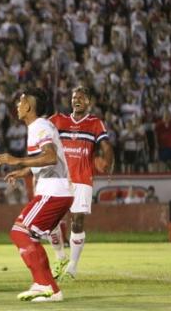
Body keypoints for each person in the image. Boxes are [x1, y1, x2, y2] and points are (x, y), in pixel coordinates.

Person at [0, 87, 73, 303]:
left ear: (28, 106)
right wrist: (26, 171)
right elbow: (44, 159)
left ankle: (43, 284)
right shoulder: (41, 126)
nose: (17, 106)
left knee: (20, 233)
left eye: (20, 102)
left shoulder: (39, 126)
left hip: (53, 191)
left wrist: (17, 160)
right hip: (57, 191)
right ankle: (52, 289)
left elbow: (50, 157)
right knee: (26, 234)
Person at [48, 86, 114, 281]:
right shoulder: (59, 120)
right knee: (50, 222)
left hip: (83, 179)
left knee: (77, 222)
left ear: (88, 102)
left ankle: (72, 267)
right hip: (59, 179)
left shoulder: (95, 124)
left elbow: (106, 146)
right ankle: (60, 256)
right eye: (74, 97)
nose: (76, 100)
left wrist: (108, 163)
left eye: (81, 98)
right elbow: (40, 131)